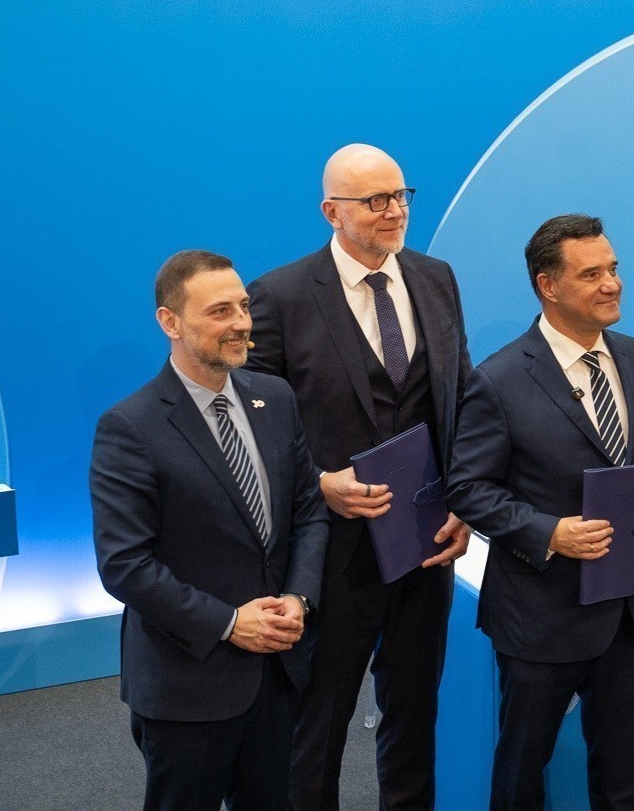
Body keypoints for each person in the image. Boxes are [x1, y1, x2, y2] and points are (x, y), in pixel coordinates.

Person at [245, 143, 473, 811]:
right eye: (376, 201)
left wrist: (467, 499)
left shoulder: (436, 278)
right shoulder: (280, 296)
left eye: (401, 196)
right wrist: (319, 484)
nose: (394, 211)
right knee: (318, 722)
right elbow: (253, 426)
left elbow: (462, 401)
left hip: (426, 541)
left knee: (414, 713)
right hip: (332, 549)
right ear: (331, 212)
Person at [445, 214, 634, 811]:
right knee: (521, 775)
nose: (612, 284)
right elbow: (468, 488)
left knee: (621, 777)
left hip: (630, 614)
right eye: (591, 274)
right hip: (541, 616)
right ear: (548, 285)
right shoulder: (499, 378)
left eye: (613, 269)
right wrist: (548, 532)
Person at [89, 250, 330, 811]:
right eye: (221, 311)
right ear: (170, 322)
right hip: (187, 684)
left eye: (243, 307)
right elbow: (124, 565)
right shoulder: (129, 427)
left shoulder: (276, 399)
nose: (242, 323)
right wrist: (229, 623)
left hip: (278, 670)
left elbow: (309, 511)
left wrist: (299, 597)